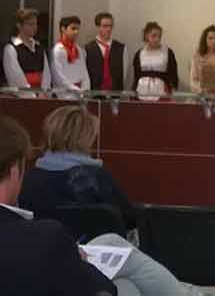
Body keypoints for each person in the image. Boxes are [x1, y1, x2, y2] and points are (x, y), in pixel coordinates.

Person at [0, 115, 203, 296]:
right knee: (122, 265)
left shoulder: (33, 181)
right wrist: (75, 258)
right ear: (15, 170)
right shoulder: (96, 179)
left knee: (125, 278)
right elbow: (130, 217)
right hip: (73, 264)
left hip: (65, 260)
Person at [19, 105, 137, 230]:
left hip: (42, 241)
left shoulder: (28, 179)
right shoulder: (97, 178)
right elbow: (129, 218)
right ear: (85, 138)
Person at [2, 8, 51, 90]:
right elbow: (15, 77)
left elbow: (46, 74)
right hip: (21, 95)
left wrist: (43, 92)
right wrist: (31, 94)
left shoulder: (39, 47)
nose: (35, 27)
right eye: (30, 24)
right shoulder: (11, 48)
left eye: (36, 24)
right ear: (19, 26)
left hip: (41, 94)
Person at [84, 12, 131, 92]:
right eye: (105, 26)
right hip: (94, 94)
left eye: (111, 26)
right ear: (98, 27)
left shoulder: (121, 48)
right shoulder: (87, 49)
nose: (109, 29)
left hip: (116, 94)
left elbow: (124, 75)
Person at [132, 21, 179, 99]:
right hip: (142, 92)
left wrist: (172, 90)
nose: (157, 39)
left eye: (159, 36)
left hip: (162, 92)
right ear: (146, 36)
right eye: (154, 36)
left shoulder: (167, 52)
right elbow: (136, 76)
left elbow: (173, 74)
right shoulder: (139, 53)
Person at [51, 15, 91, 91]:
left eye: (77, 29)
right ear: (63, 29)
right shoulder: (57, 50)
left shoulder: (79, 49)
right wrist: (75, 90)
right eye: (73, 28)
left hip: (81, 92)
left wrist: (85, 89)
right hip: (64, 92)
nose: (76, 32)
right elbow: (58, 76)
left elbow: (84, 72)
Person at [189, 25, 215, 93]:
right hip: (200, 94)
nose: (214, 41)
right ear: (205, 40)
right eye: (210, 38)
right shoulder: (196, 56)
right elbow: (193, 80)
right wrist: (201, 90)